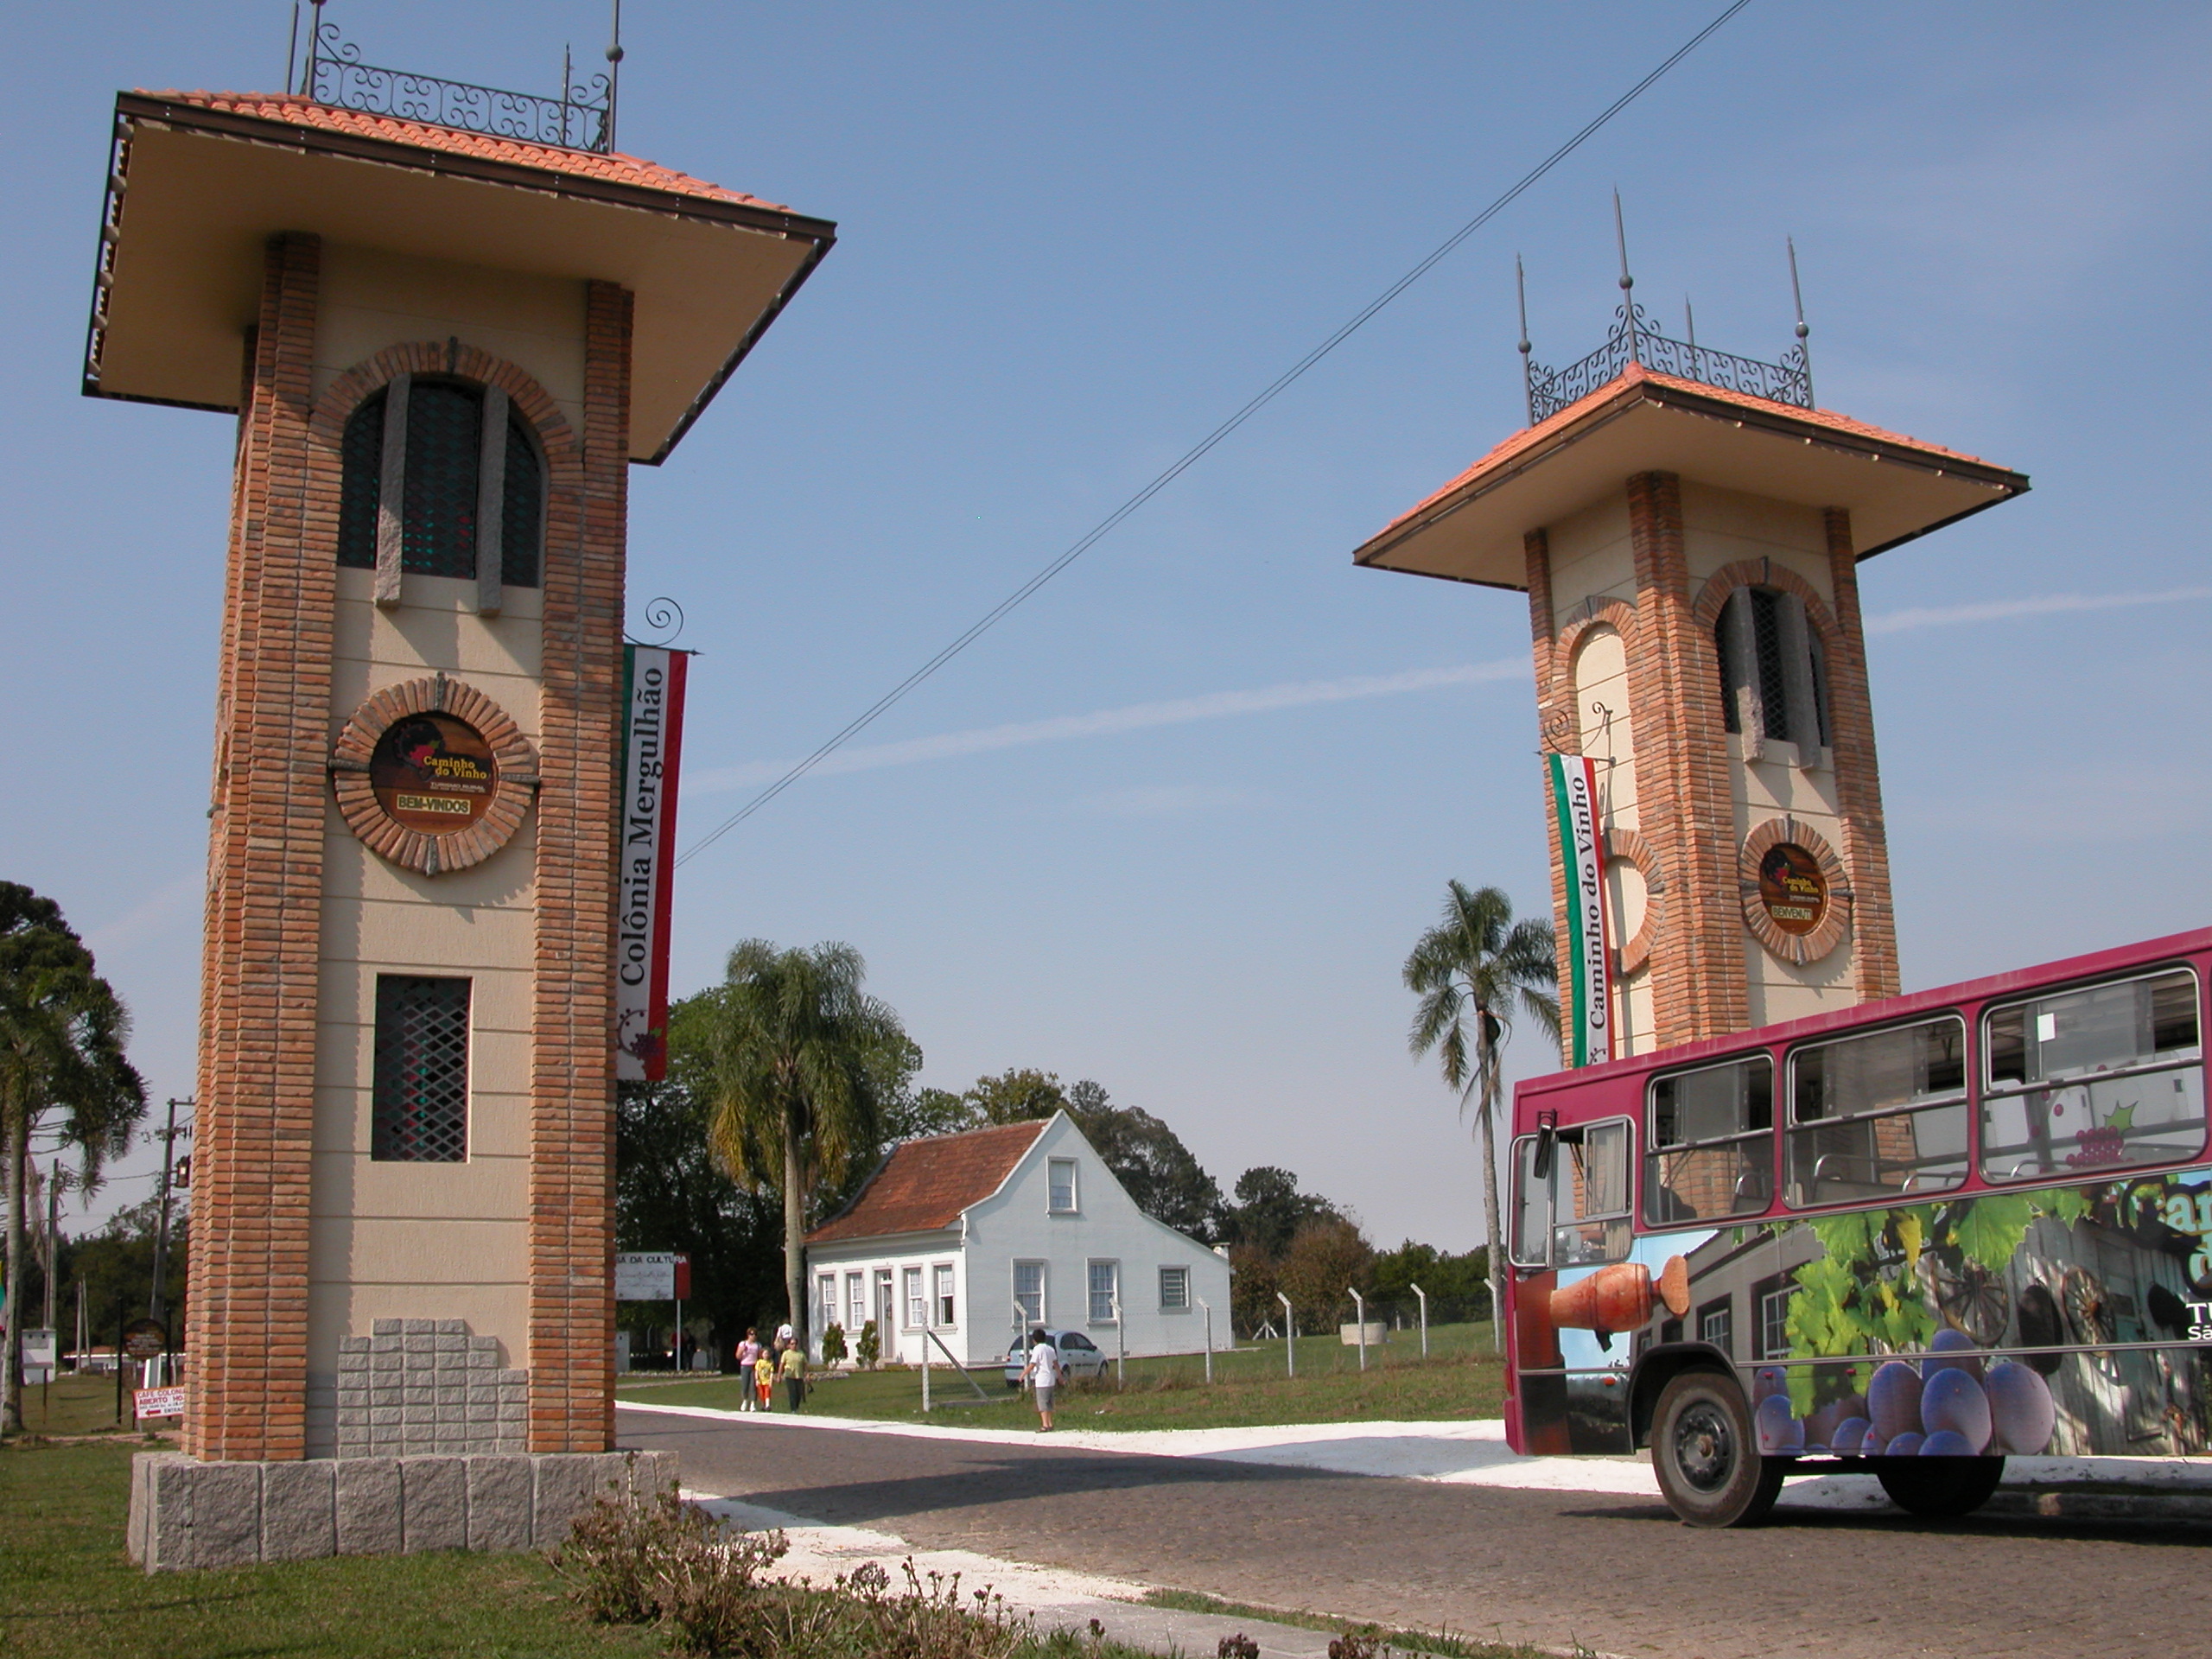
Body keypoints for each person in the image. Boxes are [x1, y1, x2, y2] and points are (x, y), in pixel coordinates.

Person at [1023, 1328, 1062, 1432]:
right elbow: (1056, 1365)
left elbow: (1033, 1364)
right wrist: (1060, 1376)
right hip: (1051, 1378)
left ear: (1034, 1340)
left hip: (1042, 1380)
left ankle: (1045, 1424)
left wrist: (1023, 1374)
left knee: (1042, 1403)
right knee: (1049, 1402)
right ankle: (1050, 1423)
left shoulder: (1037, 1349)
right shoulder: (1050, 1349)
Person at [779, 1334, 809, 1412]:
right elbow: (781, 1364)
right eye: (792, 1344)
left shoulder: (801, 1354)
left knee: (799, 1393)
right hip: (789, 1375)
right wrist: (779, 1375)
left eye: (795, 1344)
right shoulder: (786, 1354)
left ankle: (796, 1407)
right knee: (792, 1392)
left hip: (799, 1375)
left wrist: (807, 1374)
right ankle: (793, 1409)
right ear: (789, 1345)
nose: (794, 1345)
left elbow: (805, 1364)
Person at [734, 1328, 761, 1411]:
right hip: (745, 1365)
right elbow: (738, 1356)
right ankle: (745, 1401)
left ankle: (753, 1404)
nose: (753, 1336)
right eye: (751, 1334)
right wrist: (742, 1351)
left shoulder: (758, 1345)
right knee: (745, 1384)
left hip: (754, 1366)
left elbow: (760, 1356)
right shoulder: (743, 1344)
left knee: (753, 1385)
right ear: (748, 1335)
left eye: (755, 1334)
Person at [753, 1341, 776, 1412]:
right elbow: (756, 1371)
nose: (766, 1355)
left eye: (767, 1354)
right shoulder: (759, 1362)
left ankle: (767, 1405)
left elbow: (771, 1373)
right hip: (760, 1381)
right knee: (761, 1394)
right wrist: (757, 1379)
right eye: (765, 1353)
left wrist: (771, 1381)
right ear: (762, 1354)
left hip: (767, 1381)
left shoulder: (770, 1363)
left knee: (767, 1393)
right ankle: (764, 1405)